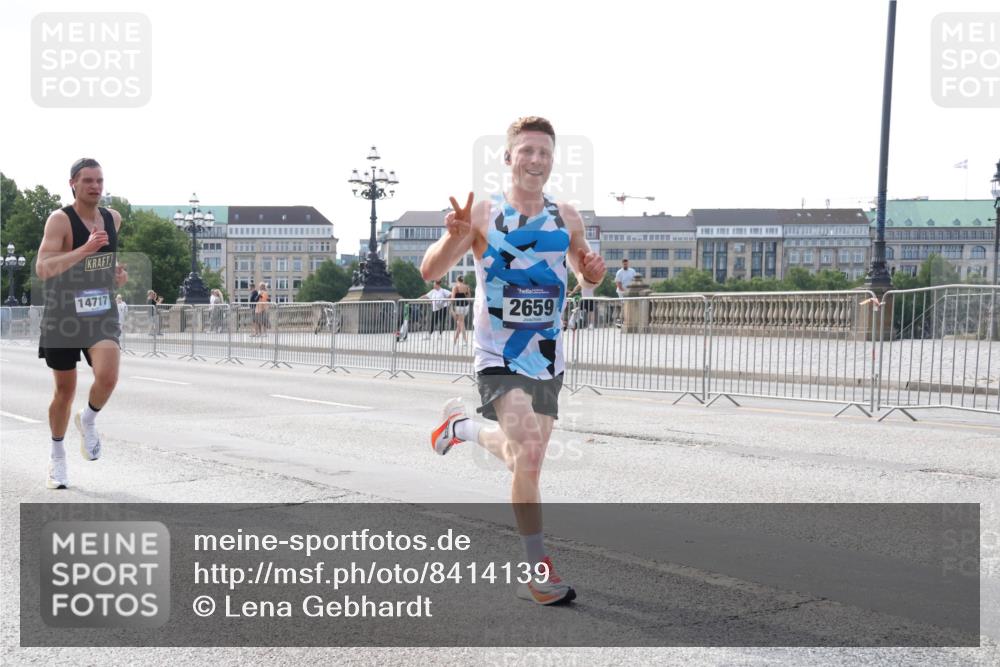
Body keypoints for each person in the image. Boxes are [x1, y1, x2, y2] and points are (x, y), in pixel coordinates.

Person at [421, 117, 606, 605]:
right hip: (497, 354)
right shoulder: (484, 213)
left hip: (547, 355)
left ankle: (460, 428)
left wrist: (593, 272)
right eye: (526, 150)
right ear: (508, 157)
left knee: (526, 458)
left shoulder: (566, 217)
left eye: (544, 152)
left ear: (553, 160)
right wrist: (455, 236)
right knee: (529, 453)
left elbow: (585, 277)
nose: (535, 159)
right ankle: (537, 570)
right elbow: (430, 271)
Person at [36, 158, 128, 489]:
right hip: (63, 313)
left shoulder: (113, 218)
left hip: (99, 310)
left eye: (99, 180)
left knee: (108, 376)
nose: (95, 186)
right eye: (87, 180)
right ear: (73, 184)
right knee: (65, 391)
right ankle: (57, 456)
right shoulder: (60, 220)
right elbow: (43, 268)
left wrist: (115, 275)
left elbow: (101, 264)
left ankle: (88, 419)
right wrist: (85, 249)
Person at [450, 274, 472, 346]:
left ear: (457, 280)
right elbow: (469, 297)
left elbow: (453, 298)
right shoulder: (467, 287)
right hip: (466, 306)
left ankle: (465, 340)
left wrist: (451, 307)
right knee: (459, 323)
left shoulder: (455, 287)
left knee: (461, 323)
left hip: (459, 306)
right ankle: (455, 341)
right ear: (463, 280)